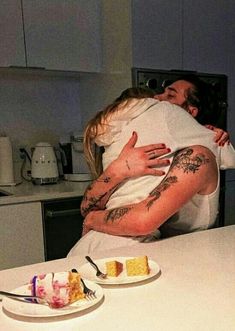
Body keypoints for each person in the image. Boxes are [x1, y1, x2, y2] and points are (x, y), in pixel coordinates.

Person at [68, 80, 235, 255]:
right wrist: (118, 170)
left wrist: (94, 218)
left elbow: (142, 221)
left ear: (190, 112)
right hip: (150, 255)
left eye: (169, 95)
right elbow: (87, 207)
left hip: (191, 259)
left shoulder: (197, 157)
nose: (157, 98)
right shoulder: (149, 151)